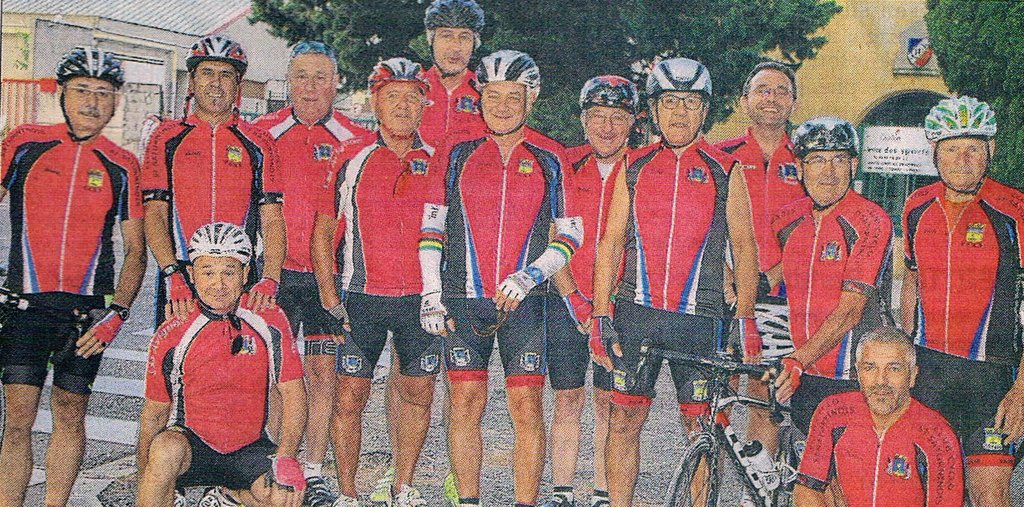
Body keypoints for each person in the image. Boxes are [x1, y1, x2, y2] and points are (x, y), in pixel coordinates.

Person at [589, 57, 759, 506]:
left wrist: (745, 318)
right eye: (669, 102)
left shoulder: (726, 169)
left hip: (700, 320)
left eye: (690, 102)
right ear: (654, 109)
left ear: (705, 110)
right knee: (624, 422)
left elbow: (745, 248)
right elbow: (610, 242)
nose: (679, 112)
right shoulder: (634, 164)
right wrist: (600, 314)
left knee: (701, 429)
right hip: (637, 314)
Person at [418, 49, 582, 507]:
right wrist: (431, 292)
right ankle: (469, 501)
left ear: (532, 98)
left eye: (514, 96)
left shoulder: (551, 155)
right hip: (463, 297)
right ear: (480, 97)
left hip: (525, 303)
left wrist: (530, 277)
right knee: (465, 402)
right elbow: (431, 227)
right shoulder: (456, 151)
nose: (503, 106)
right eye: (493, 96)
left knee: (526, 408)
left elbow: (571, 234)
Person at [0, 47, 147, 507]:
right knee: (18, 419)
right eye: (82, 90)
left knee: (69, 414)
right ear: (61, 93)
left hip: (85, 316)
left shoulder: (122, 163)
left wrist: (117, 315)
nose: (92, 102)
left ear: (116, 102)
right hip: (26, 304)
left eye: (103, 93)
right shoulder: (25, 143)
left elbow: (137, 250)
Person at [310, 57, 441, 507]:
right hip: (361, 296)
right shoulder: (352, 156)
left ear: (424, 104)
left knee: (418, 393)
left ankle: (403, 486)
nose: (402, 106)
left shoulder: (438, 161)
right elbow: (324, 230)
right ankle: (347, 493)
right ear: (375, 102)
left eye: (412, 97)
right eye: (392, 97)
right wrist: (329, 295)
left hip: (419, 300)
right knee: (349, 397)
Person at [252, 40, 369, 507]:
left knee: (323, 376)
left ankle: (315, 471)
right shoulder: (262, 132)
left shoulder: (355, 138)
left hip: (328, 277)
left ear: (336, 83)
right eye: (301, 76)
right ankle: (272, 466)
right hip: (273, 275)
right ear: (288, 81)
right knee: (274, 376)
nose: (310, 86)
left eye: (321, 77)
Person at [901, 95, 1024, 506]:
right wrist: (906, 354)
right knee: (926, 494)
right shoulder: (916, 206)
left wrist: (1022, 389)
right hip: (929, 375)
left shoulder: (1015, 210)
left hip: (995, 378)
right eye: (952, 148)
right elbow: (912, 281)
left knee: (990, 494)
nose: (963, 159)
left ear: (991, 150)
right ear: (935, 152)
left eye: (974, 147)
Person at [136, 222, 306, 507]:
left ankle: (229, 495)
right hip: (193, 447)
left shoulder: (268, 318)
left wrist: (286, 458)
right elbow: (154, 414)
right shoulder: (173, 330)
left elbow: (294, 395)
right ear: (192, 275)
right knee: (164, 451)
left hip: (249, 448)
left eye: (228, 272)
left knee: (285, 496)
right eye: (208, 272)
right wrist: (146, 480)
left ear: (245, 274)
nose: (218, 284)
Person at [542, 75, 639, 507]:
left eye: (617, 117)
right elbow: (550, 235)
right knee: (566, 398)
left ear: (633, 122)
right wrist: (574, 298)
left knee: (608, 402)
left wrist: (608, 304)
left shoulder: (642, 167)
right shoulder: (565, 163)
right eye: (597, 116)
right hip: (567, 298)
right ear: (583, 120)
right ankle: (562, 492)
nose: (607, 127)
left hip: (619, 305)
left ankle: (602, 493)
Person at [141, 35, 285, 323]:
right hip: (182, 274)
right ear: (192, 82)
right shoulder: (165, 137)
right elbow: (154, 214)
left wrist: (270, 278)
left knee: (239, 351)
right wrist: (171, 273)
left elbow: (272, 219)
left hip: (239, 273)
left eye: (226, 75)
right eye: (207, 73)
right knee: (176, 351)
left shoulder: (259, 141)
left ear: (238, 85)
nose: (216, 83)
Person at [765, 117, 893, 436]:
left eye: (839, 160)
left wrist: (798, 360)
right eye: (817, 160)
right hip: (805, 373)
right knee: (805, 459)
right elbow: (765, 282)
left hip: (855, 376)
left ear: (854, 165)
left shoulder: (871, 220)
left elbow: (850, 311)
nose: (829, 171)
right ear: (800, 167)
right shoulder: (787, 220)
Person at [713, 62, 803, 504]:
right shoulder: (721, 154)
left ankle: (756, 495)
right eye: (762, 90)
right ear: (744, 100)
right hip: (724, 293)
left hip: (783, 295)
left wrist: (773, 276)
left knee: (766, 395)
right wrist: (729, 282)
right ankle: (706, 490)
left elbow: (813, 225)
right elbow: (705, 226)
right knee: (718, 396)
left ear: (794, 102)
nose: (771, 98)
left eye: (781, 91)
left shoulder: (808, 158)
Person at [794, 326, 964, 506]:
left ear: (912, 376)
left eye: (894, 368)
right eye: (870, 368)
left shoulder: (938, 434)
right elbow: (806, 490)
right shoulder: (832, 412)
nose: (881, 380)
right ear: (858, 373)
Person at [419, 0, 487, 147]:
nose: (456, 47)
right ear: (431, 40)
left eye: (464, 37)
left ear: (475, 43)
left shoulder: (487, 92)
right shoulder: (413, 89)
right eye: (446, 36)